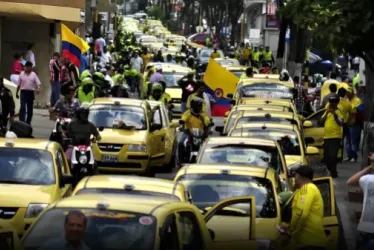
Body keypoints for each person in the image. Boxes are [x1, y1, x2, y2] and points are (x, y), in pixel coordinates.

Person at [280, 165, 327, 250]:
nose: (294, 179)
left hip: (310, 243)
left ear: (300, 177)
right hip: (306, 243)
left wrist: (289, 233)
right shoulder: (301, 190)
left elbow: (300, 213)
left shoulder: (307, 188)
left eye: (295, 176)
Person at [347, 154, 374, 250]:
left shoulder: (368, 180)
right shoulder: (368, 180)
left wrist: (369, 167)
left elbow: (350, 181)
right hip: (366, 228)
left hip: (366, 227)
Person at [178, 98, 211, 162]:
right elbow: (184, 119)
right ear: (192, 106)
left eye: (199, 106)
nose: (198, 108)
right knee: (181, 143)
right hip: (188, 132)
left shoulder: (202, 113)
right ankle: (181, 159)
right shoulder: (187, 113)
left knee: (208, 144)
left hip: (200, 133)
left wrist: (209, 123)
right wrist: (182, 122)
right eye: (196, 106)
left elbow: (206, 119)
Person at [321, 95, 343, 178]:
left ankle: (333, 172)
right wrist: (326, 113)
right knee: (326, 157)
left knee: (333, 156)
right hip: (327, 136)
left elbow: (340, 123)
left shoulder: (338, 111)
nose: (332, 105)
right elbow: (321, 121)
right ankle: (330, 170)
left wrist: (334, 114)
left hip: (335, 136)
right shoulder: (327, 111)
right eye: (331, 103)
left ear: (336, 104)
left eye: (333, 104)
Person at [345, 87, 362, 162]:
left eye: (349, 92)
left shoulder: (357, 100)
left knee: (353, 141)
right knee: (348, 141)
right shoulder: (346, 100)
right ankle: (349, 156)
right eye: (347, 92)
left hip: (354, 123)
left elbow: (354, 111)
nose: (348, 94)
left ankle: (354, 157)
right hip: (347, 122)